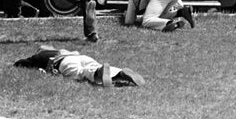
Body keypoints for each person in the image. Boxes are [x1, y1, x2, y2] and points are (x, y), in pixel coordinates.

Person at [14, 45, 145, 87]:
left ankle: (99, 71)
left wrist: (16, 64)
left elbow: (20, 63)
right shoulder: (62, 50)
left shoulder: (40, 56)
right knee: (94, 65)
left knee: (82, 73)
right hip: (80, 57)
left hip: (63, 63)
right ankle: (120, 73)